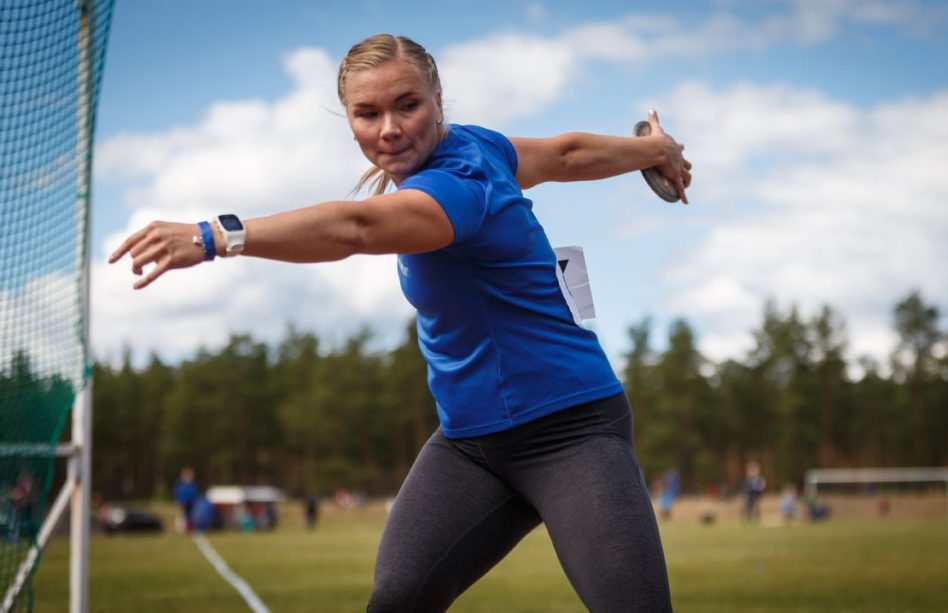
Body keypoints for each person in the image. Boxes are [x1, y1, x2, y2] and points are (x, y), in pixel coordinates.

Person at [109, 33, 691, 612]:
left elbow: (355, 228)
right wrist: (651, 150)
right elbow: (565, 156)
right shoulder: (481, 149)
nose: (388, 128)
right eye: (367, 113)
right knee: (398, 601)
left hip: (571, 432)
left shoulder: (461, 182)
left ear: (438, 100)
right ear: (350, 120)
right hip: (469, 446)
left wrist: (215, 236)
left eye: (406, 105)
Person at [172, 467, 198, 534]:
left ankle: (189, 528)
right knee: (181, 516)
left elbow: (194, 494)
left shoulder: (193, 484)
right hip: (183, 503)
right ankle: (180, 529)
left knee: (190, 516)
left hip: (191, 503)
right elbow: (177, 493)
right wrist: (178, 501)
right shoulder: (180, 484)